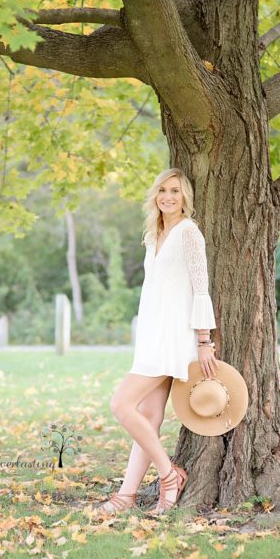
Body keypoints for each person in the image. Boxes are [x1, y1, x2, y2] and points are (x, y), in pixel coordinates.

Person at [97, 168, 219, 516]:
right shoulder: (153, 234)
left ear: (185, 198)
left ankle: (169, 476)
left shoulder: (189, 233)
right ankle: (126, 495)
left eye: (176, 192)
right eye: (163, 190)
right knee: (148, 417)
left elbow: (200, 287)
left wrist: (204, 340)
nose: (168, 197)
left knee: (122, 405)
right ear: (155, 195)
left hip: (174, 337)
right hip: (151, 334)